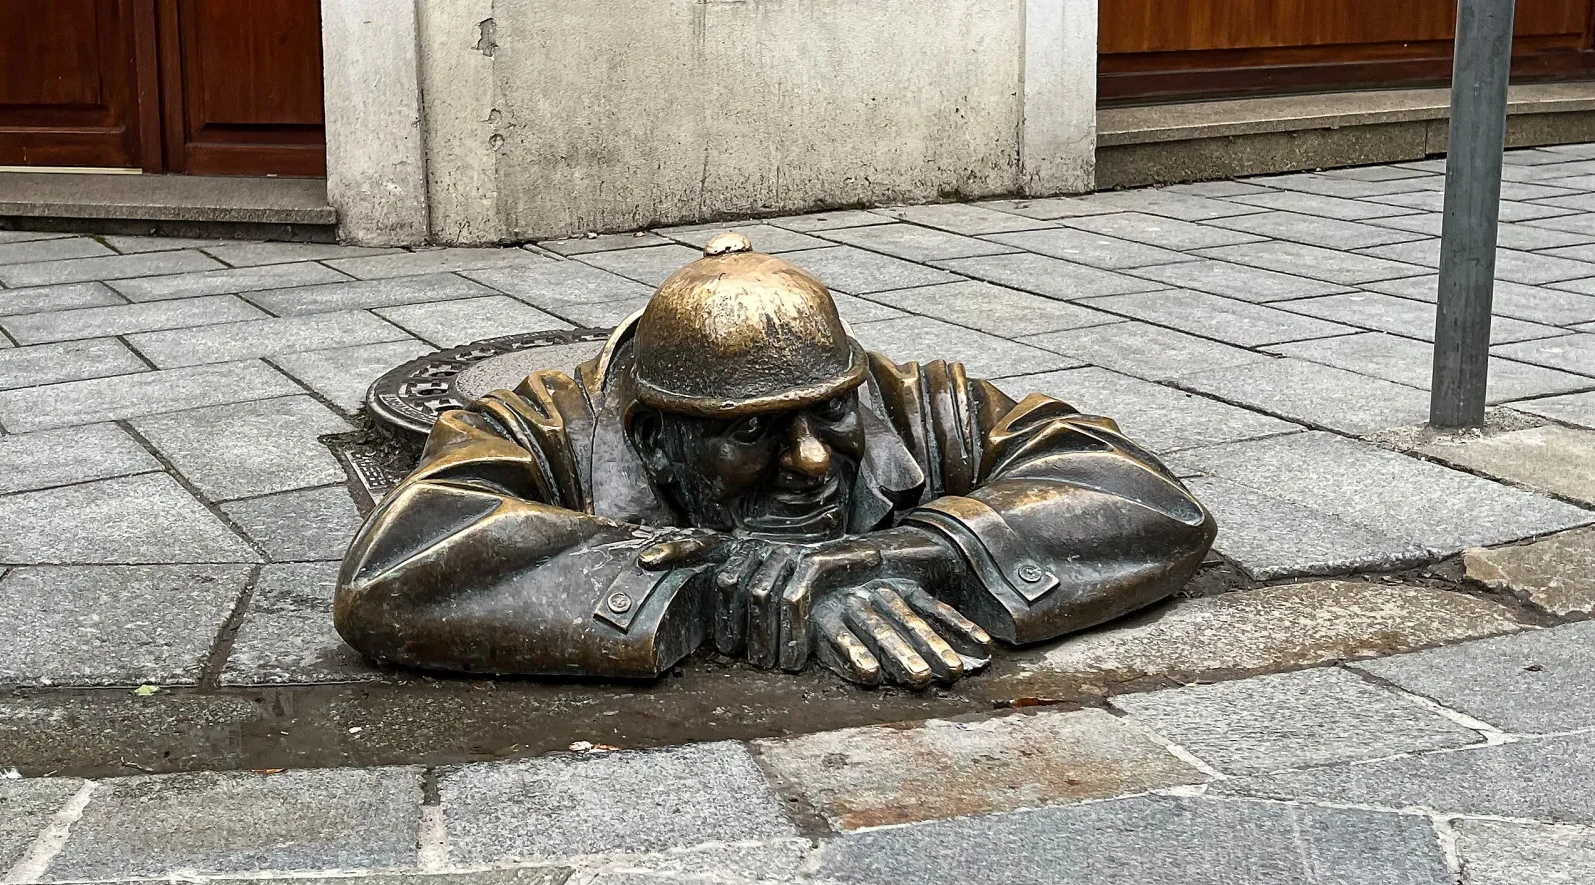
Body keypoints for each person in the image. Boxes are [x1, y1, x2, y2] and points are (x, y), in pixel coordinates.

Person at [335, 233, 1216, 688]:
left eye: (829, 414)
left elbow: (1149, 500)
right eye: (750, 432)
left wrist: (907, 555)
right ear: (654, 439)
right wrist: (722, 587)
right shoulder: (538, 425)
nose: (810, 460)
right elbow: (395, 568)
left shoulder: (905, 399)